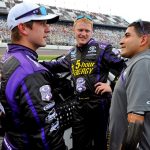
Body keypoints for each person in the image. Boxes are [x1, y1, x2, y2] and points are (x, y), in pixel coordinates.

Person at [42, 15, 125, 150]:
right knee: (79, 144)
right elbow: (56, 65)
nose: (83, 34)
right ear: (74, 31)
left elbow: (124, 69)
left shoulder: (103, 48)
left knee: (100, 143)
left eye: (87, 31)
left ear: (92, 32)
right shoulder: (72, 53)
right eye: (80, 30)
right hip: (79, 105)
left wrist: (112, 86)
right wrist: (33, 62)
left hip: (100, 105)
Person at [0, 2, 67, 150]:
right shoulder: (31, 72)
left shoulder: (8, 58)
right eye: (42, 23)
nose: (48, 29)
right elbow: (47, 136)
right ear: (23, 27)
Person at [109, 20, 150, 150]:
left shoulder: (142, 63)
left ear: (143, 40)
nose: (121, 41)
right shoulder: (136, 62)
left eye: (127, 36)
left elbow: (136, 122)